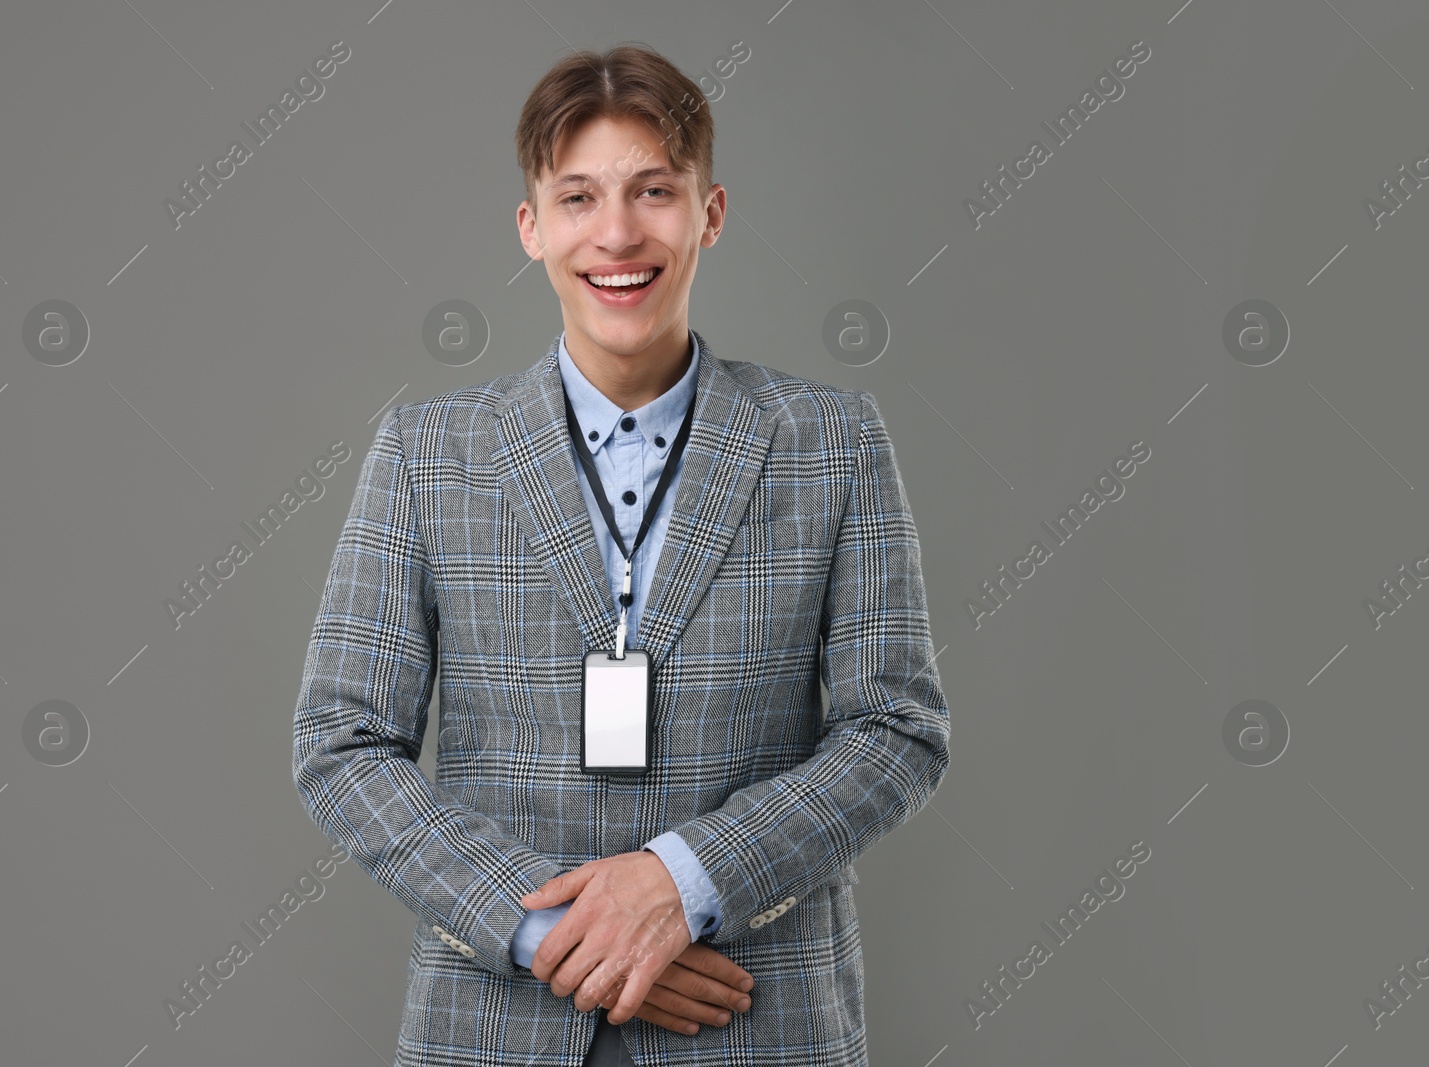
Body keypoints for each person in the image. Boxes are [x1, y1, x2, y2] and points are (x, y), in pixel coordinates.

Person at [292, 42, 951, 1067]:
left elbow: (896, 728)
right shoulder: (426, 451)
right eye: (578, 197)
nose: (616, 233)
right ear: (531, 228)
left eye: (653, 191)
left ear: (709, 213)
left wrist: (683, 881)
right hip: (491, 1026)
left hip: (754, 1018)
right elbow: (341, 740)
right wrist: (553, 933)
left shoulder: (833, 441)